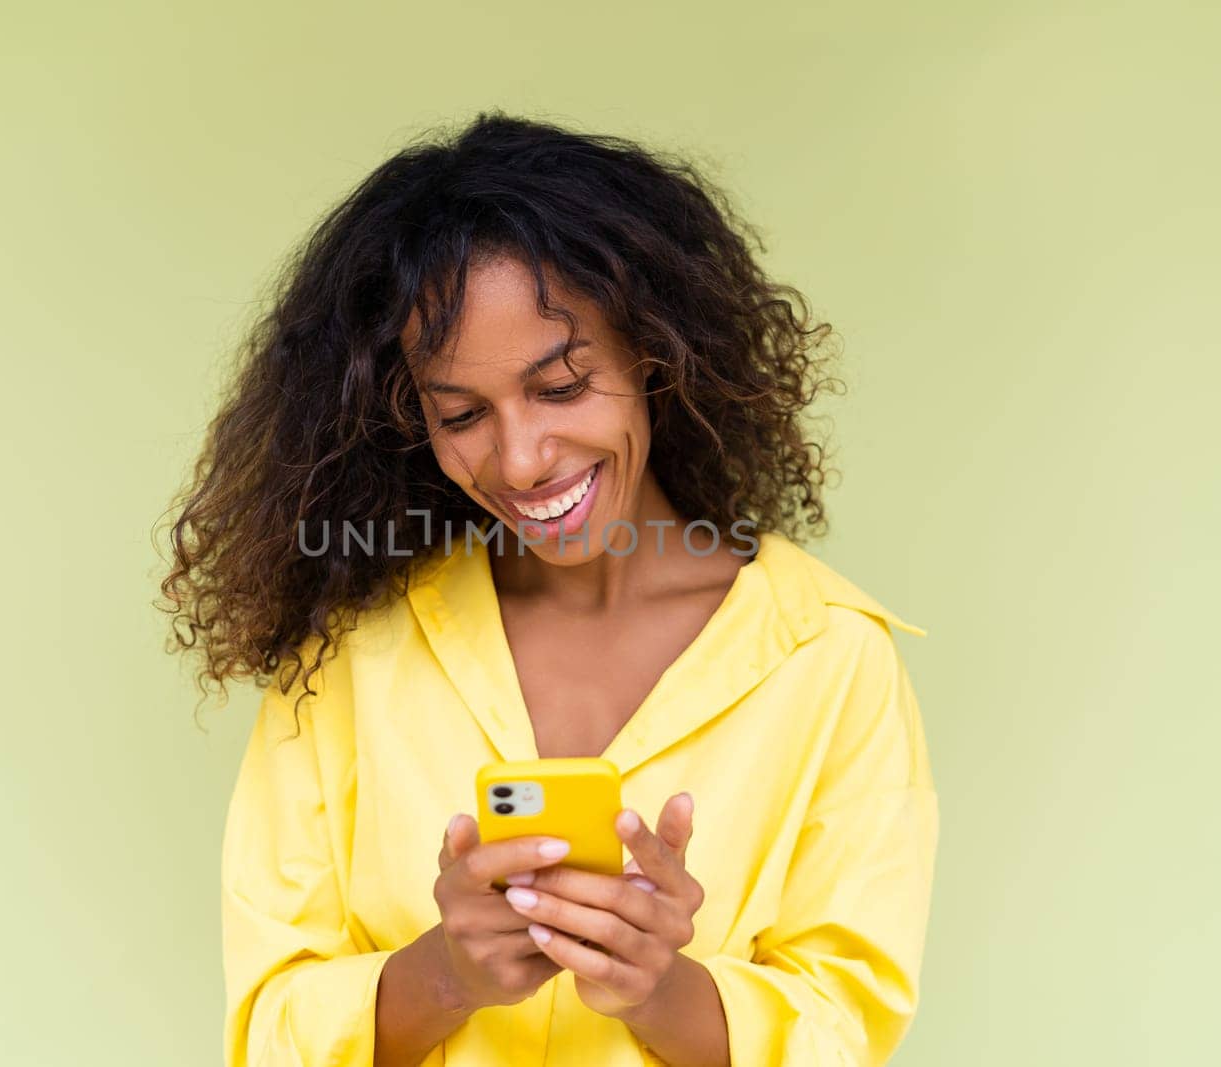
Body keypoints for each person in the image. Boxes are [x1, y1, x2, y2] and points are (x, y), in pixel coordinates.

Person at [158, 110, 939, 1067]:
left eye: (563, 386)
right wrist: (445, 973)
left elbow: (848, 1031)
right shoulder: (348, 654)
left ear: (657, 353)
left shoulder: (831, 657)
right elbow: (268, 1027)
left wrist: (663, 990)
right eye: (461, 414)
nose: (522, 459)